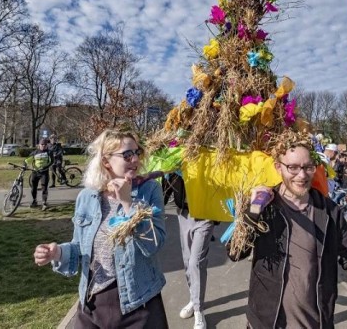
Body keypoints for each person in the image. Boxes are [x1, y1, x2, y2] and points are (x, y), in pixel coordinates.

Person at [228, 131, 347, 328]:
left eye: (308, 167)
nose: (301, 175)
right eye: (292, 167)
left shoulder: (329, 211)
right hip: (266, 321)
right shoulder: (266, 208)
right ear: (278, 167)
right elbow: (235, 252)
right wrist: (253, 211)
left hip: (316, 322)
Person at [33, 130, 168, 328]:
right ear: (106, 161)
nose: (135, 159)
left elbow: (154, 244)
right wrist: (58, 252)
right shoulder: (87, 197)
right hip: (92, 302)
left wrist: (129, 204)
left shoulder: (149, 191)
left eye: (137, 152)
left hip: (139, 303)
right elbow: (80, 247)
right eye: (127, 155)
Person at [164, 173, 214, 329]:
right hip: (184, 214)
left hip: (205, 215)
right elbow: (164, 194)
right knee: (187, 261)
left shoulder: (207, 159)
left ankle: (199, 311)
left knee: (195, 262)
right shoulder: (175, 161)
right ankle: (194, 299)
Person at [26, 138, 54, 210]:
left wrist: (45, 167)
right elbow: (27, 160)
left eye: (45, 144)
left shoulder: (49, 152)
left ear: (47, 145)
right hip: (35, 172)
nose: (43, 146)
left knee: (44, 187)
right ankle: (34, 201)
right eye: (42, 144)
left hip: (44, 172)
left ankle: (44, 203)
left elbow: (51, 162)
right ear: (39, 145)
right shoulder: (35, 152)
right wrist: (24, 164)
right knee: (33, 188)